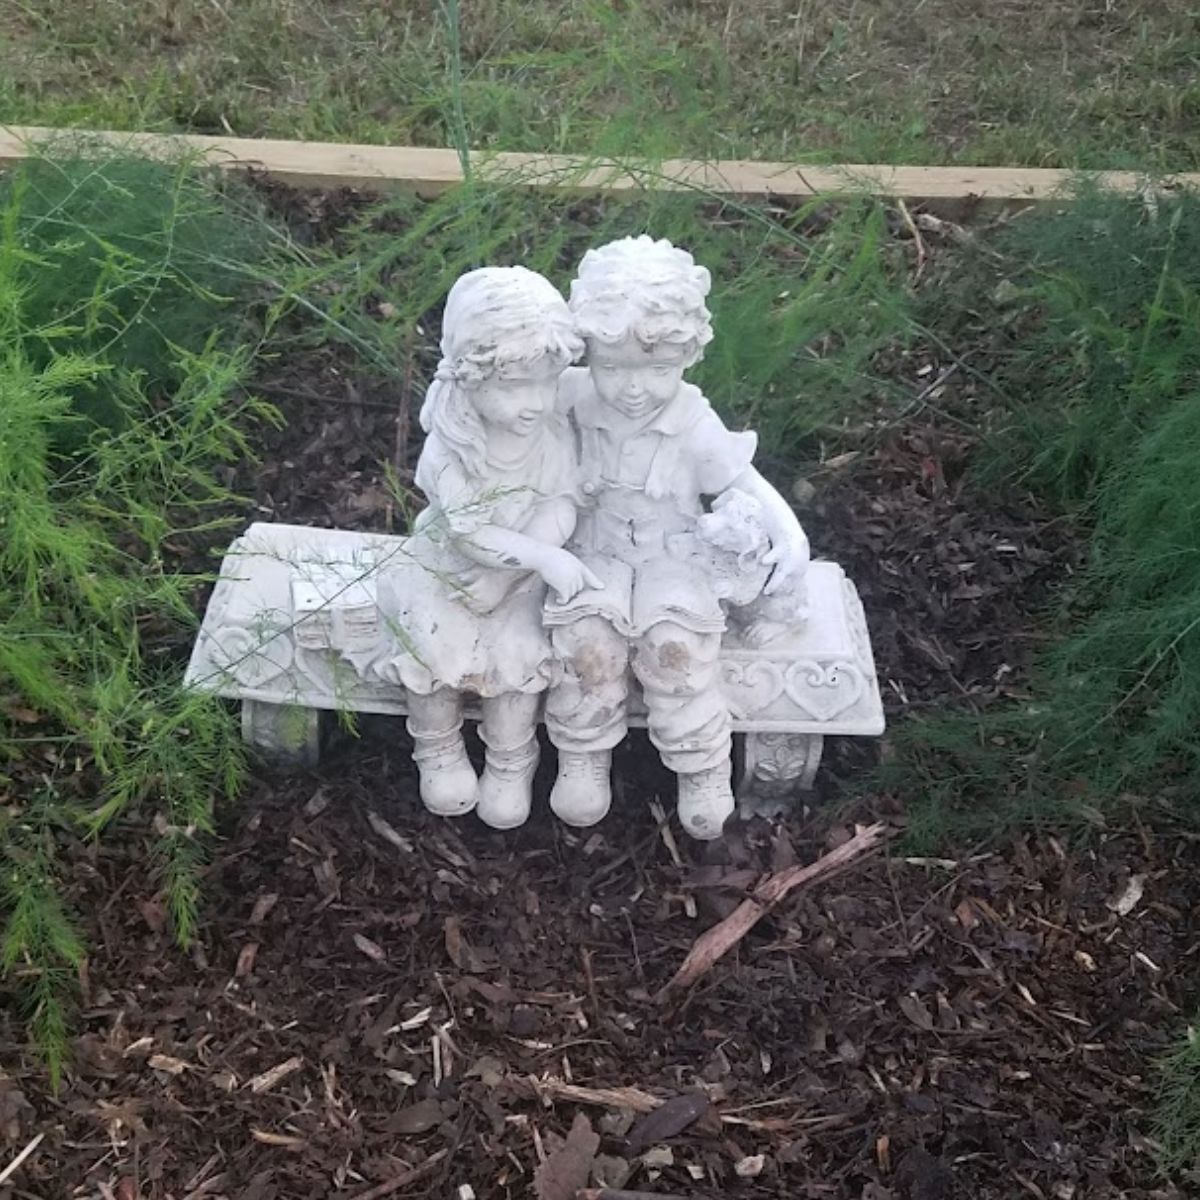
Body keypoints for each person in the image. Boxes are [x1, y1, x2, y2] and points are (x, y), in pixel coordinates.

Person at [544, 236, 809, 839]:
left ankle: (701, 764)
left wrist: (791, 535)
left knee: (677, 647)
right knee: (587, 639)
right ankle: (584, 753)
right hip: (589, 547)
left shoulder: (689, 419)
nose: (634, 388)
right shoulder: (571, 399)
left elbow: (743, 480)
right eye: (614, 368)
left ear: (686, 358)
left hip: (672, 553)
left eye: (657, 370)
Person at [366, 267, 598, 830]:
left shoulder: (550, 436)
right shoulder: (450, 450)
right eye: (513, 386)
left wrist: (522, 570)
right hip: (450, 570)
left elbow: (560, 505)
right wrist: (540, 559)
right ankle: (439, 748)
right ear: (469, 379)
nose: (535, 403)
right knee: (431, 642)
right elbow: (468, 532)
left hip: (518, 580)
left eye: (546, 384)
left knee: (520, 651)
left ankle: (511, 759)